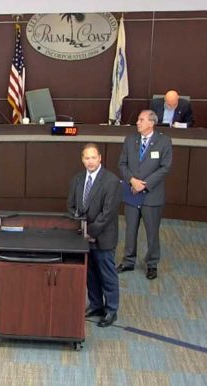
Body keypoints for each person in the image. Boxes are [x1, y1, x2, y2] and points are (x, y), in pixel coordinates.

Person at [67, 143, 121, 328]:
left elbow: (108, 214)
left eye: (93, 157)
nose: (90, 161)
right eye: (86, 158)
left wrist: (90, 231)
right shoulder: (77, 179)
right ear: (82, 160)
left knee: (107, 274)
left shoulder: (111, 181)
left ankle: (111, 309)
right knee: (90, 274)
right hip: (83, 237)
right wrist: (81, 227)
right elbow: (71, 206)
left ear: (100, 158)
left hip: (103, 237)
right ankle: (96, 305)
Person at [117, 110, 173, 280]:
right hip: (132, 193)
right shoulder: (130, 140)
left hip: (152, 195)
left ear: (151, 123)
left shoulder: (164, 141)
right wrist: (132, 181)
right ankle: (128, 260)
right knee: (130, 229)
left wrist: (145, 184)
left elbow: (165, 167)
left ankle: (152, 264)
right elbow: (122, 163)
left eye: (141, 120)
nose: (137, 123)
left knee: (152, 231)